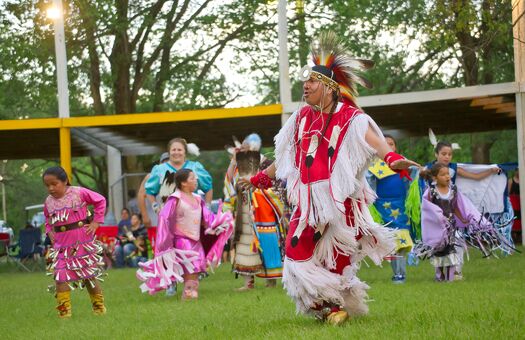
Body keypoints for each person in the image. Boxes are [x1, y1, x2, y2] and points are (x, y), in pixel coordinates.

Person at [240, 32, 418, 325]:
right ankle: (329, 307)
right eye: (305, 81)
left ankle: (334, 307)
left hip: (338, 202)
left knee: (334, 257)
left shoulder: (350, 118)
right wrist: (260, 178)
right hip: (307, 203)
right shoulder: (299, 119)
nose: (305, 86)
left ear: (330, 87)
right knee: (297, 253)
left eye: (311, 81)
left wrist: (392, 158)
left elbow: (374, 139)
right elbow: (285, 157)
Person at [136, 169, 233, 299]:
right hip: (182, 242)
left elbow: (208, 217)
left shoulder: (198, 199)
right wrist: (165, 246)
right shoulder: (175, 199)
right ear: (183, 183)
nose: (196, 180)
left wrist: (222, 222)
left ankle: (190, 298)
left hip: (195, 242)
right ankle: (189, 298)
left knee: (195, 273)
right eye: (192, 178)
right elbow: (165, 219)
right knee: (191, 272)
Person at [417, 141, 501, 280]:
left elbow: (475, 177)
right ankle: (440, 274)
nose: (447, 157)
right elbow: (424, 197)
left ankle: (456, 271)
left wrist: (490, 170)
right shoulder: (428, 171)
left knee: (457, 241)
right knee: (439, 246)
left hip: (451, 215)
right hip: (435, 219)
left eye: (450, 154)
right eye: (444, 154)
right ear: (436, 154)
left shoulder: (454, 169)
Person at [42, 166, 106, 318]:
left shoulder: (79, 192)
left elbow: (100, 201)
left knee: (89, 277)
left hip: (82, 242)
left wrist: (96, 222)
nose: (51, 188)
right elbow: (47, 219)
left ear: (64, 181)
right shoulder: (48, 202)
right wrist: (49, 232)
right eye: (47, 185)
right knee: (60, 277)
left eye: (54, 183)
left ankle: (99, 309)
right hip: (61, 245)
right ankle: (64, 313)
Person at [224, 134, 286, 290]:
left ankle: (270, 280)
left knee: (266, 241)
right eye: (241, 146)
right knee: (244, 243)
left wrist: (260, 193)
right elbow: (229, 182)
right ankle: (248, 282)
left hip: (262, 208)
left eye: (245, 146)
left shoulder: (264, 161)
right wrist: (233, 161)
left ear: (253, 147)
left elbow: (276, 181)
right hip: (243, 208)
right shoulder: (237, 163)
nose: (242, 149)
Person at [367, 135, 414, 284]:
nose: (388, 146)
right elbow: (368, 187)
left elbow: (411, 182)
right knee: (392, 242)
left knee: (402, 239)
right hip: (383, 208)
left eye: (391, 144)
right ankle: (398, 273)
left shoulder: (403, 164)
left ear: (395, 148)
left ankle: (401, 273)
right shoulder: (373, 167)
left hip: (401, 207)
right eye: (384, 144)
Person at [145, 138, 213, 210]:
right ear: (169, 152)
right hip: (168, 215)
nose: (176, 152)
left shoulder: (195, 167)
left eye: (179, 150)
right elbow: (150, 191)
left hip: (193, 213)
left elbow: (208, 188)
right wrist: (156, 208)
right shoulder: (159, 170)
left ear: (185, 152)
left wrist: (207, 208)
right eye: (173, 150)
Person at [138, 152, 169, 228]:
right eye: (164, 161)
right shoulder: (150, 176)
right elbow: (141, 195)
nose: (167, 164)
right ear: (160, 163)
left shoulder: (177, 177)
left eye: (169, 161)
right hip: (154, 218)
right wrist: (145, 216)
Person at [508, 171, 521, 244]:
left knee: (520, 217)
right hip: (514, 201)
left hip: (521, 201)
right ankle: (513, 234)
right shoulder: (510, 181)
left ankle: (520, 234)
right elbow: (508, 192)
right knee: (514, 217)